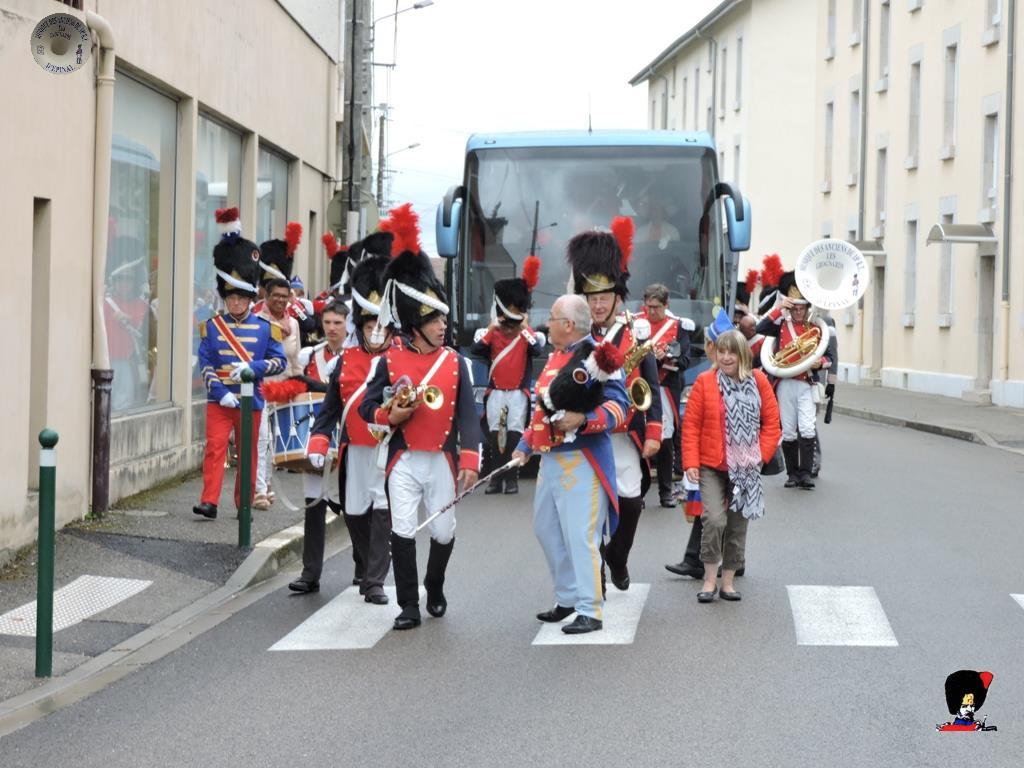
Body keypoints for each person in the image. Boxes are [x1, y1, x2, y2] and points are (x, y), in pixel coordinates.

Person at [358, 204, 481, 631]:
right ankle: (408, 604)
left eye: (443, 317)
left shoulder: (456, 363)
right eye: (433, 319)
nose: (443, 325)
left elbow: (469, 416)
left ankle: (435, 583)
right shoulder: (388, 362)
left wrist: (470, 460)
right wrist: (388, 413)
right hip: (403, 458)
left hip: (442, 458)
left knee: (444, 531)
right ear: (414, 322)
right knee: (404, 529)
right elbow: (367, 408)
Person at [512, 293, 629, 635]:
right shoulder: (556, 356)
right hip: (549, 458)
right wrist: (524, 445)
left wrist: (584, 420)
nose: (545, 323)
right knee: (546, 529)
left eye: (551, 318)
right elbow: (542, 410)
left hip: (582, 459)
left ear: (567, 324)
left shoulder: (599, 356)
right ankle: (567, 597)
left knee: (580, 535)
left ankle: (590, 608)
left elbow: (619, 408)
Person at [567, 218, 662, 594]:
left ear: (617, 297)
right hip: (589, 433)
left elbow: (652, 383)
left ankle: (617, 557)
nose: (598, 304)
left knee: (632, 504)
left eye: (604, 297)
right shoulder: (577, 337)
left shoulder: (636, 332)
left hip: (626, 435)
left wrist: (654, 431)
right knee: (590, 512)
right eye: (592, 298)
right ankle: (596, 582)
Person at [299, 247, 395, 601]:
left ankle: (374, 581)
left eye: (381, 328)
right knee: (354, 513)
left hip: (388, 451)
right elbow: (329, 410)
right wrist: (318, 442)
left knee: (382, 510)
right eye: (370, 327)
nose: (376, 334)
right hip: (354, 449)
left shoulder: (401, 360)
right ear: (362, 327)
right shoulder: (345, 361)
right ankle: (368, 567)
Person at [193, 208, 286, 520]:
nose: (235, 303)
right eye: (230, 298)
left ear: (249, 299)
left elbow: (278, 362)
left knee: (248, 455)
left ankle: (243, 502)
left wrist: (252, 370)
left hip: (250, 399)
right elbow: (205, 364)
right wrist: (220, 393)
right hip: (220, 399)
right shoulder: (211, 327)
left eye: (240, 298)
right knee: (215, 448)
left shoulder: (265, 328)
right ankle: (209, 501)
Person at [682, 328, 780, 603]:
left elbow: (772, 423)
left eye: (731, 353)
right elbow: (691, 425)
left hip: (745, 467)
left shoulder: (759, 381)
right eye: (721, 351)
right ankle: (709, 580)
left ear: (743, 355)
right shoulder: (705, 381)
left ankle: (727, 582)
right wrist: (690, 462)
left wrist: (760, 455)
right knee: (714, 520)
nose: (725, 357)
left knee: (737, 526)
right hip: (711, 464)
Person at [664, 309, 736, 580]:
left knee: (723, 511)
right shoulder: (708, 378)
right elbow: (693, 423)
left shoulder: (735, 378)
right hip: (710, 456)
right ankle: (697, 558)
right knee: (713, 510)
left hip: (728, 457)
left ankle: (719, 560)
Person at [469, 255, 545, 495]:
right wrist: (492, 327)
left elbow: (537, 349)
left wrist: (524, 326)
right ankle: (495, 479)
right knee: (494, 437)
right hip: (496, 392)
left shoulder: (528, 335)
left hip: (517, 394)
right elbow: (477, 350)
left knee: (514, 436)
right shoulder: (491, 334)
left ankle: (512, 479)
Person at [756, 270, 831, 489]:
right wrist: (779, 308)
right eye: (795, 308)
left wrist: (820, 363)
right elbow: (760, 328)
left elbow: (828, 357)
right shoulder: (781, 326)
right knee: (788, 430)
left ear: (807, 308)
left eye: (802, 308)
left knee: (807, 427)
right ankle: (792, 474)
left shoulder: (815, 329)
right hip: (784, 383)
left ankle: (806, 473)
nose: (798, 312)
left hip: (806, 383)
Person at [637, 283, 692, 508]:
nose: (651, 312)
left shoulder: (678, 326)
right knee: (638, 438)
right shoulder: (635, 323)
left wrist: (668, 357)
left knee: (665, 439)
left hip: (664, 388)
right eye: (648, 307)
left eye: (656, 307)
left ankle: (666, 491)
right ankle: (638, 493)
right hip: (639, 388)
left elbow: (685, 360)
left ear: (666, 305)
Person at [253, 277, 303, 508]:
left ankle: (266, 482)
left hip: (284, 389)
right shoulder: (256, 320)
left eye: (285, 296)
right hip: (261, 387)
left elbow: (296, 359)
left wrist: (300, 385)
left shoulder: (294, 324)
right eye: (276, 296)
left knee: (274, 441)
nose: (281, 300)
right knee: (262, 438)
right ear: (267, 296)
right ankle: (259, 491)